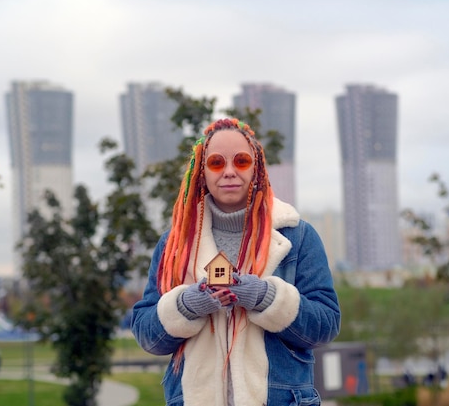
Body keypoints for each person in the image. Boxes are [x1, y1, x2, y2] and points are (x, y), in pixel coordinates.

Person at [131, 118, 341, 406]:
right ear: (201, 172)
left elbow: (325, 325)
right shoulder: (175, 244)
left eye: (241, 161)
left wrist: (265, 297)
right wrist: (187, 305)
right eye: (217, 163)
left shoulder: (297, 236)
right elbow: (146, 334)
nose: (229, 172)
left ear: (256, 168)